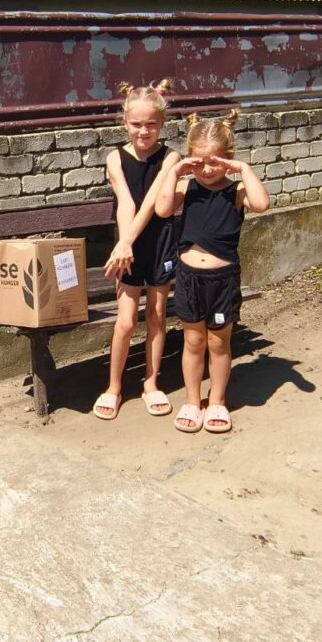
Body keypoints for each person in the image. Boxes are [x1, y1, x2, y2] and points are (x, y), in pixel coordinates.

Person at [154, 110, 270, 433]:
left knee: (219, 344)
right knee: (193, 341)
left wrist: (244, 169)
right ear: (191, 159)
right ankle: (192, 400)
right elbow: (162, 208)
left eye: (216, 161)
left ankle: (217, 400)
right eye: (199, 161)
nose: (206, 168)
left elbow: (261, 204)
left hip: (222, 281)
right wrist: (175, 171)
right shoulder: (185, 189)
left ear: (228, 160)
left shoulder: (236, 192)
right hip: (190, 279)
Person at [93, 80, 182, 420]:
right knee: (127, 321)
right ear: (124, 122)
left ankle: (150, 382)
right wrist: (124, 244)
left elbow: (150, 204)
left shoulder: (172, 156)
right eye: (136, 124)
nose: (143, 131)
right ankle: (113, 387)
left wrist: (126, 241)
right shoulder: (115, 157)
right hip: (126, 247)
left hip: (159, 242)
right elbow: (127, 203)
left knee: (157, 315)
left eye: (151, 124)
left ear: (161, 124)